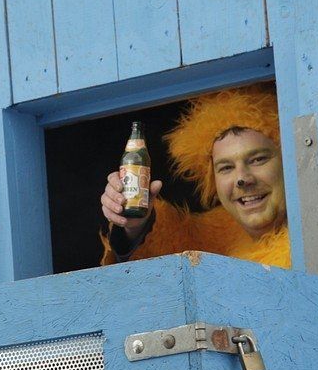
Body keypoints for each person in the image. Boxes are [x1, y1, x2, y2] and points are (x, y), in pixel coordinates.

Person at [100, 82, 291, 268]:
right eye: (226, 168)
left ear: (288, 161)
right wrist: (134, 227)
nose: (242, 179)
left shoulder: (308, 235)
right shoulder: (207, 239)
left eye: (257, 160)